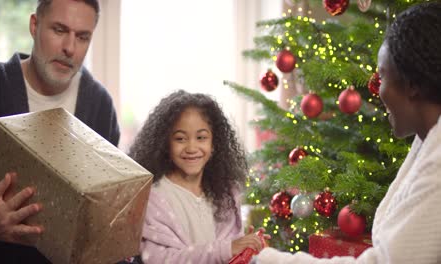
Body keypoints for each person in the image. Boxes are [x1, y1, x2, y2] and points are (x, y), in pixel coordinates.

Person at [256, 2, 441, 263]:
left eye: (383, 76)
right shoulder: (428, 144)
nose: (378, 92)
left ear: (411, 86)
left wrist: (270, 260)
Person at [0, 0, 119, 263]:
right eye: (59, 30)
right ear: (34, 25)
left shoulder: (100, 106)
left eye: (82, 37)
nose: (70, 48)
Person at [128, 90, 268, 263]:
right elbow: (159, 259)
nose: (191, 147)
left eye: (201, 137)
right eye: (180, 139)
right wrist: (228, 248)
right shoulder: (154, 198)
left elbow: (230, 248)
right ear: (165, 143)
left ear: (214, 143)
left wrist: (246, 246)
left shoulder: (226, 193)